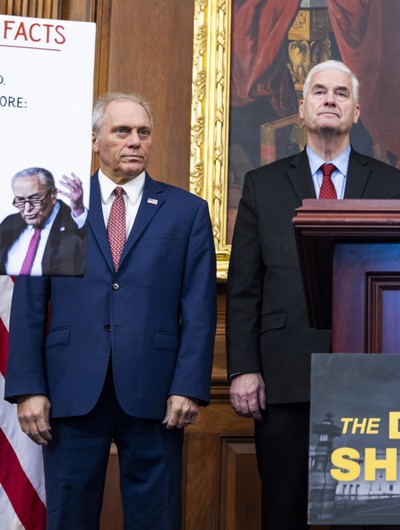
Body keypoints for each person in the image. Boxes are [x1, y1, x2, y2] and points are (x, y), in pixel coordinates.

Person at [4, 92, 217, 530]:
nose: (135, 141)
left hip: (156, 395)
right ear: (96, 140)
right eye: (122, 131)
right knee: (69, 517)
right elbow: (28, 307)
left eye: (143, 132)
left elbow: (199, 307)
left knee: (157, 517)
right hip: (70, 392)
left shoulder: (187, 212)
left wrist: (189, 386)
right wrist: (28, 388)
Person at [225, 59, 400, 529]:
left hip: (369, 375)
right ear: (302, 108)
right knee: (283, 511)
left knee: (367, 512)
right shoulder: (263, 185)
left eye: (341, 93)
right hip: (283, 376)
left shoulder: (390, 184)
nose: (330, 99)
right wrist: (244, 369)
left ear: (357, 111)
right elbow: (245, 286)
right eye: (319, 92)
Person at [0, 167, 87, 276]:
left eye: (35, 199)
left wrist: (78, 208)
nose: (27, 209)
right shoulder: (9, 223)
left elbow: (86, 239)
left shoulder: (73, 222)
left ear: (53, 195)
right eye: (20, 200)